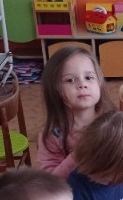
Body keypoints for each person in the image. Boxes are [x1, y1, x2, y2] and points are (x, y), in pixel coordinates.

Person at [37, 45, 117, 177]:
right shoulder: (52, 134)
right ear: (54, 89)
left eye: (88, 77)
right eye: (70, 80)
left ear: (100, 82)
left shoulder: (113, 121)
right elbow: (51, 179)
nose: (82, 84)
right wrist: (78, 154)